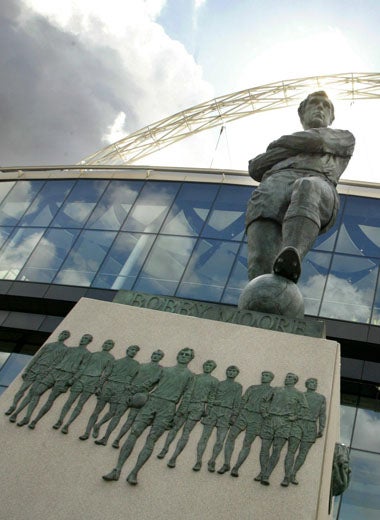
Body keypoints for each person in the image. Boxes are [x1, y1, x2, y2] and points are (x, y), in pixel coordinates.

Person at [246, 91, 355, 283]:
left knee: (307, 186)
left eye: (326, 106)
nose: (320, 107)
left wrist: (281, 144)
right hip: (271, 190)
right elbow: (256, 166)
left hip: (319, 183)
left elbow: (318, 140)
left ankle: (292, 254)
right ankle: (258, 297)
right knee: (259, 262)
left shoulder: (344, 137)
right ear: (302, 113)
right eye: (314, 103)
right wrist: (305, 145)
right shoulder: (300, 144)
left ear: (332, 117)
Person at [102, 347, 194, 485]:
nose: (183, 356)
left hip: (168, 407)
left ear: (190, 359)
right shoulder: (165, 370)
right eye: (181, 353)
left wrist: (178, 414)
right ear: (177, 355)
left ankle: (134, 473)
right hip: (152, 401)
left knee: (151, 440)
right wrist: (133, 392)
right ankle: (116, 470)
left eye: (187, 355)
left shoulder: (190, 376)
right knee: (134, 433)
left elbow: (187, 396)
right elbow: (149, 383)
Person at [12, 333, 92, 428]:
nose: (83, 339)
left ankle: (35, 420)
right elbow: (57, 360)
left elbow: (82, 368)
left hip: (66, 376)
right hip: (54, 372)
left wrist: (73, 379)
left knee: (51, 399)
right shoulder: (69, 349)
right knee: (36, 392)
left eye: (86, 338)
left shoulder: (87, 354)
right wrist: (49, 371)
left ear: (89, 341)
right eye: (83, 337)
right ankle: (26, 416)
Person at [157, 359, 218, 467]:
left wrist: (208, 410)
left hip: (198, 407)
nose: (207, 366)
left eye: (210, 365)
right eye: (206, 364)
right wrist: (181, 407)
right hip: (186, 404)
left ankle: (173, 457)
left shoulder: (214, 381)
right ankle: (164, 449)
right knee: (175, 428)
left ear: (213, 368)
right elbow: (186, 391)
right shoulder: (194, 377)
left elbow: (212, 396)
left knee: (186, 431)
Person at [51, 339, 115, 434]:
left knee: (80, 404)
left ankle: (67, 424)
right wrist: (74, 378)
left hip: (93, 381)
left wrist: (99, 386)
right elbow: (83, 366)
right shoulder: (92, 354)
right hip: (82, 378)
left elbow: (106, 374)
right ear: (103, 344)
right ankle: (60, 420)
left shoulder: (110, 358)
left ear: (111, 347)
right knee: (70, 401)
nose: (107, 345)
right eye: (106, 343)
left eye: (109, 344)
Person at [217, 370, 274, 477]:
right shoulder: (253, 387)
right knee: (230, 437)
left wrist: (265, 416)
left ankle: (236, 467)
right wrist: (235, 415)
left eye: (267, 376)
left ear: (271, 378)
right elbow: (243, 400)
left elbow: (271, 406)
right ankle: (226, 463)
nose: (264, 377)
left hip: (258, 417)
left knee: (247, 443)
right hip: (244, 413)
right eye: (263, 375)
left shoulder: (273, 391)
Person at [255, 372, 308, 486]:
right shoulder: (276, 389)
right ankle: (263, 471)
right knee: (264, 448)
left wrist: (295, 416)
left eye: (290, 377)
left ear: (295, 380)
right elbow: (264, 401)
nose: (287, 379)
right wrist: (264, 412)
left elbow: (304, 409)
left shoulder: (299, 394)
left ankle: (266, 475)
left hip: (284, 423)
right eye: (286, 377)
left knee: (276, 449)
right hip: (270, 419)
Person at [79, 344, 140, 442]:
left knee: (112, 412)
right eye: (132, 349)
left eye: (135, 351)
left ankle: (98, 425)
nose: (133, 352)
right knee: (97, 410)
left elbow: (134, 379)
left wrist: (129, 389)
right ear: (127, 350)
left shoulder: (136, 364)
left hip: (121, 388)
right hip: (109, 385)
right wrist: (99, 386)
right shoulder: (115, 361)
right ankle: (87, 432)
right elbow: (106, 374)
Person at [5, 330, 70, 419]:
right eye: (62, 333)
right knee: (22, 389)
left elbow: (57, 362)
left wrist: (47, 372)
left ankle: (22, 414)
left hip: (44, 371)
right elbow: (37, 357)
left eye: (65, 334)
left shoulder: (64, 349)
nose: (63, 335)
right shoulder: (48, 345)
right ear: (59, 334)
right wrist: (27, 369)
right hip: (35, 368)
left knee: (32, 393)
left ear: (67, 337)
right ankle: (13, 406)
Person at [110, 350, 165, 449]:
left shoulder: (161, 369)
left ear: (161, 358)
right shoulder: (142, 365)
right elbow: (132, 376)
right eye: (154, 354)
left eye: (158, 355)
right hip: (130, 391)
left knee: (130, 419)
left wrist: (143, 390)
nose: (155, 356)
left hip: (141, 395)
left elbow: (155, 382)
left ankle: (117, 439)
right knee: (117, 414)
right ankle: (106, 437)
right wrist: (128, 385)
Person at [193, 365, 242, 473]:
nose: (231, 373)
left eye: (233, 371)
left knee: (220, 440)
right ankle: (198, 460)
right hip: (214, 411)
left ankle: (212, 461)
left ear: (236, 374)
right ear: (226, 372)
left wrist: (234, 415)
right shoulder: (219, 383)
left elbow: (238, 402)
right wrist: (209, 408)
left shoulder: (238, 386)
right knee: (204, 437)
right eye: (229, 370)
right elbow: (211, 397)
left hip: (226, 413)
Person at [281, 377, 326, 487]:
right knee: (291, 450)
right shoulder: (300, 395)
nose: (313, 384)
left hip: (311, 426)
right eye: (311, 382)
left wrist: (321, 428)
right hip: (298, 423)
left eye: (315, 383)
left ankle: (293, 474)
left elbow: (322, 414)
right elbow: (291, 408)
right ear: (306, 384)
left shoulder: (321, 398)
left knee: (303, 452)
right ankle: (286, 476)